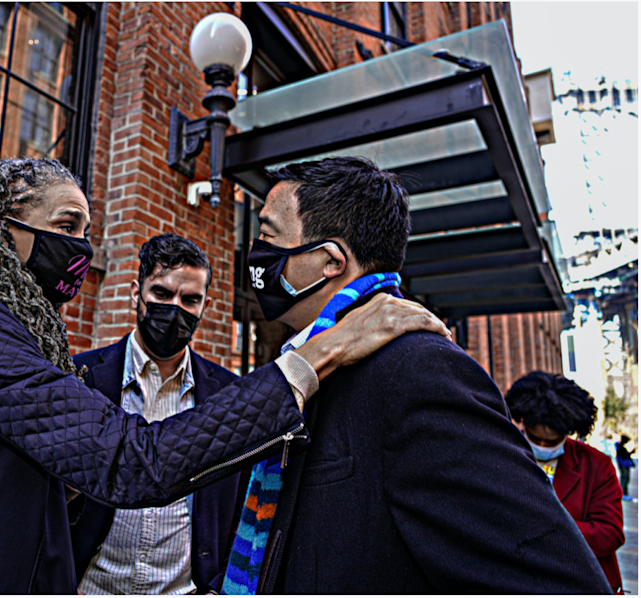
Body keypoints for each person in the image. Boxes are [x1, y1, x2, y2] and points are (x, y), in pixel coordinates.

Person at [0, 158, 450, 594]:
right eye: (66, 228)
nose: (81, 250)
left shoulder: (13, 330)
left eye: (88, 232)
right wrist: (313, 359)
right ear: (1, 226)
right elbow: (131, 461)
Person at [220, 156, 612, 594]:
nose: (256, 252)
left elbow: (559, 580)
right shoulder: (314, 360)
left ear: (330, 260)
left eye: (268, 236)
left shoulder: (417, 370)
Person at [70, 233, 245, 594]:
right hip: (91, 586)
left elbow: (234, 506)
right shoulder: (81, 376)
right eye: (162, 294)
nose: (175, 308)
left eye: (190, 299)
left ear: (205, 305)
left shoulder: (228, 392)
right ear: (137, 293)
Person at [505, 371, 625, 593]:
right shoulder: (505, 457)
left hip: (578, 582)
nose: (542, 445)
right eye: (534, 437)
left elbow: (610, 532)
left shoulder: (596, 465)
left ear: (568, 432)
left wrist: (543, 530)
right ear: (523, 423)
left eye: (551, 441)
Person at [615, 435, 636, 500]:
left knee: (625, 479)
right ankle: (622, 493)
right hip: (623, 465)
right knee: (624, 479)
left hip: (624, 465)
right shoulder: (619, 447)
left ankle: (624, 493)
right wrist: (630, 453)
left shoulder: (620, 447)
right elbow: (624, 456)